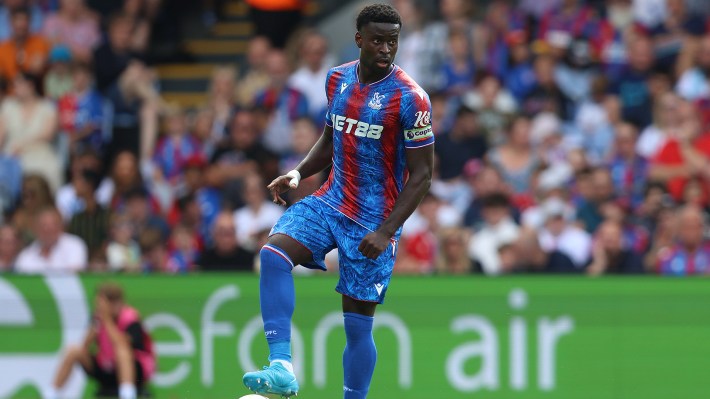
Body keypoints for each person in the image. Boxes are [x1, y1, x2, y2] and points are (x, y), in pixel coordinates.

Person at [241, 4, 435, 398]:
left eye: (392, 41)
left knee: (357, 325)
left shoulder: (412, 99)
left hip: (374, 222)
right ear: (359, 39)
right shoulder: (337, 79)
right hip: (331, 201)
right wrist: (298, 173)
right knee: (273, 255)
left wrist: (386, 230)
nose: (385, 49)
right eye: (378, 40)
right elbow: (332, 137)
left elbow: (423, 175)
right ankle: (281, 365)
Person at [47, 282, 155, 399]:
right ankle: (51, 394)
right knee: (73, 350)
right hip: (106, 368)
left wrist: (107, 320)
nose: (100, 307)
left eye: (102, 303)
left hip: (135, 372)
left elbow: (122, 343)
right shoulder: (98, 318)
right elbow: (84, 347)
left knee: (122, 350)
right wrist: (94, 328)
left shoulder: (131, 318)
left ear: (115, 303)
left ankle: (127, 394)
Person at [14, 206, 88, 273]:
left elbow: (75, 276)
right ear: (35, 229)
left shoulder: (75, 245)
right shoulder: (25, 256)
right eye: (43, 225)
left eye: (52, 225)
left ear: (61, 226)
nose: (48, 230)